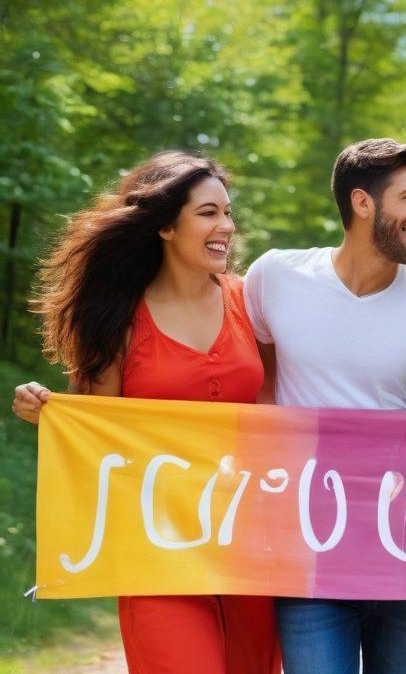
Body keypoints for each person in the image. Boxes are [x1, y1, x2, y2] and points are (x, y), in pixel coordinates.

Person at [12, 152, 280, 674]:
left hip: (252, 542)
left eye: (228, 213)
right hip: (157, 548)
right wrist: (50, 413)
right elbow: (97, 433)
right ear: (164, 225)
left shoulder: (252, 302)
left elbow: (283, 403)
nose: (225, 226)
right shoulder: (115, 319)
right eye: (208, 213)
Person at [243, 139, 406, 674]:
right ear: (362, 202)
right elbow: (257, 393)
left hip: (405, 553)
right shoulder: (274, 277)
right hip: (307, 550)